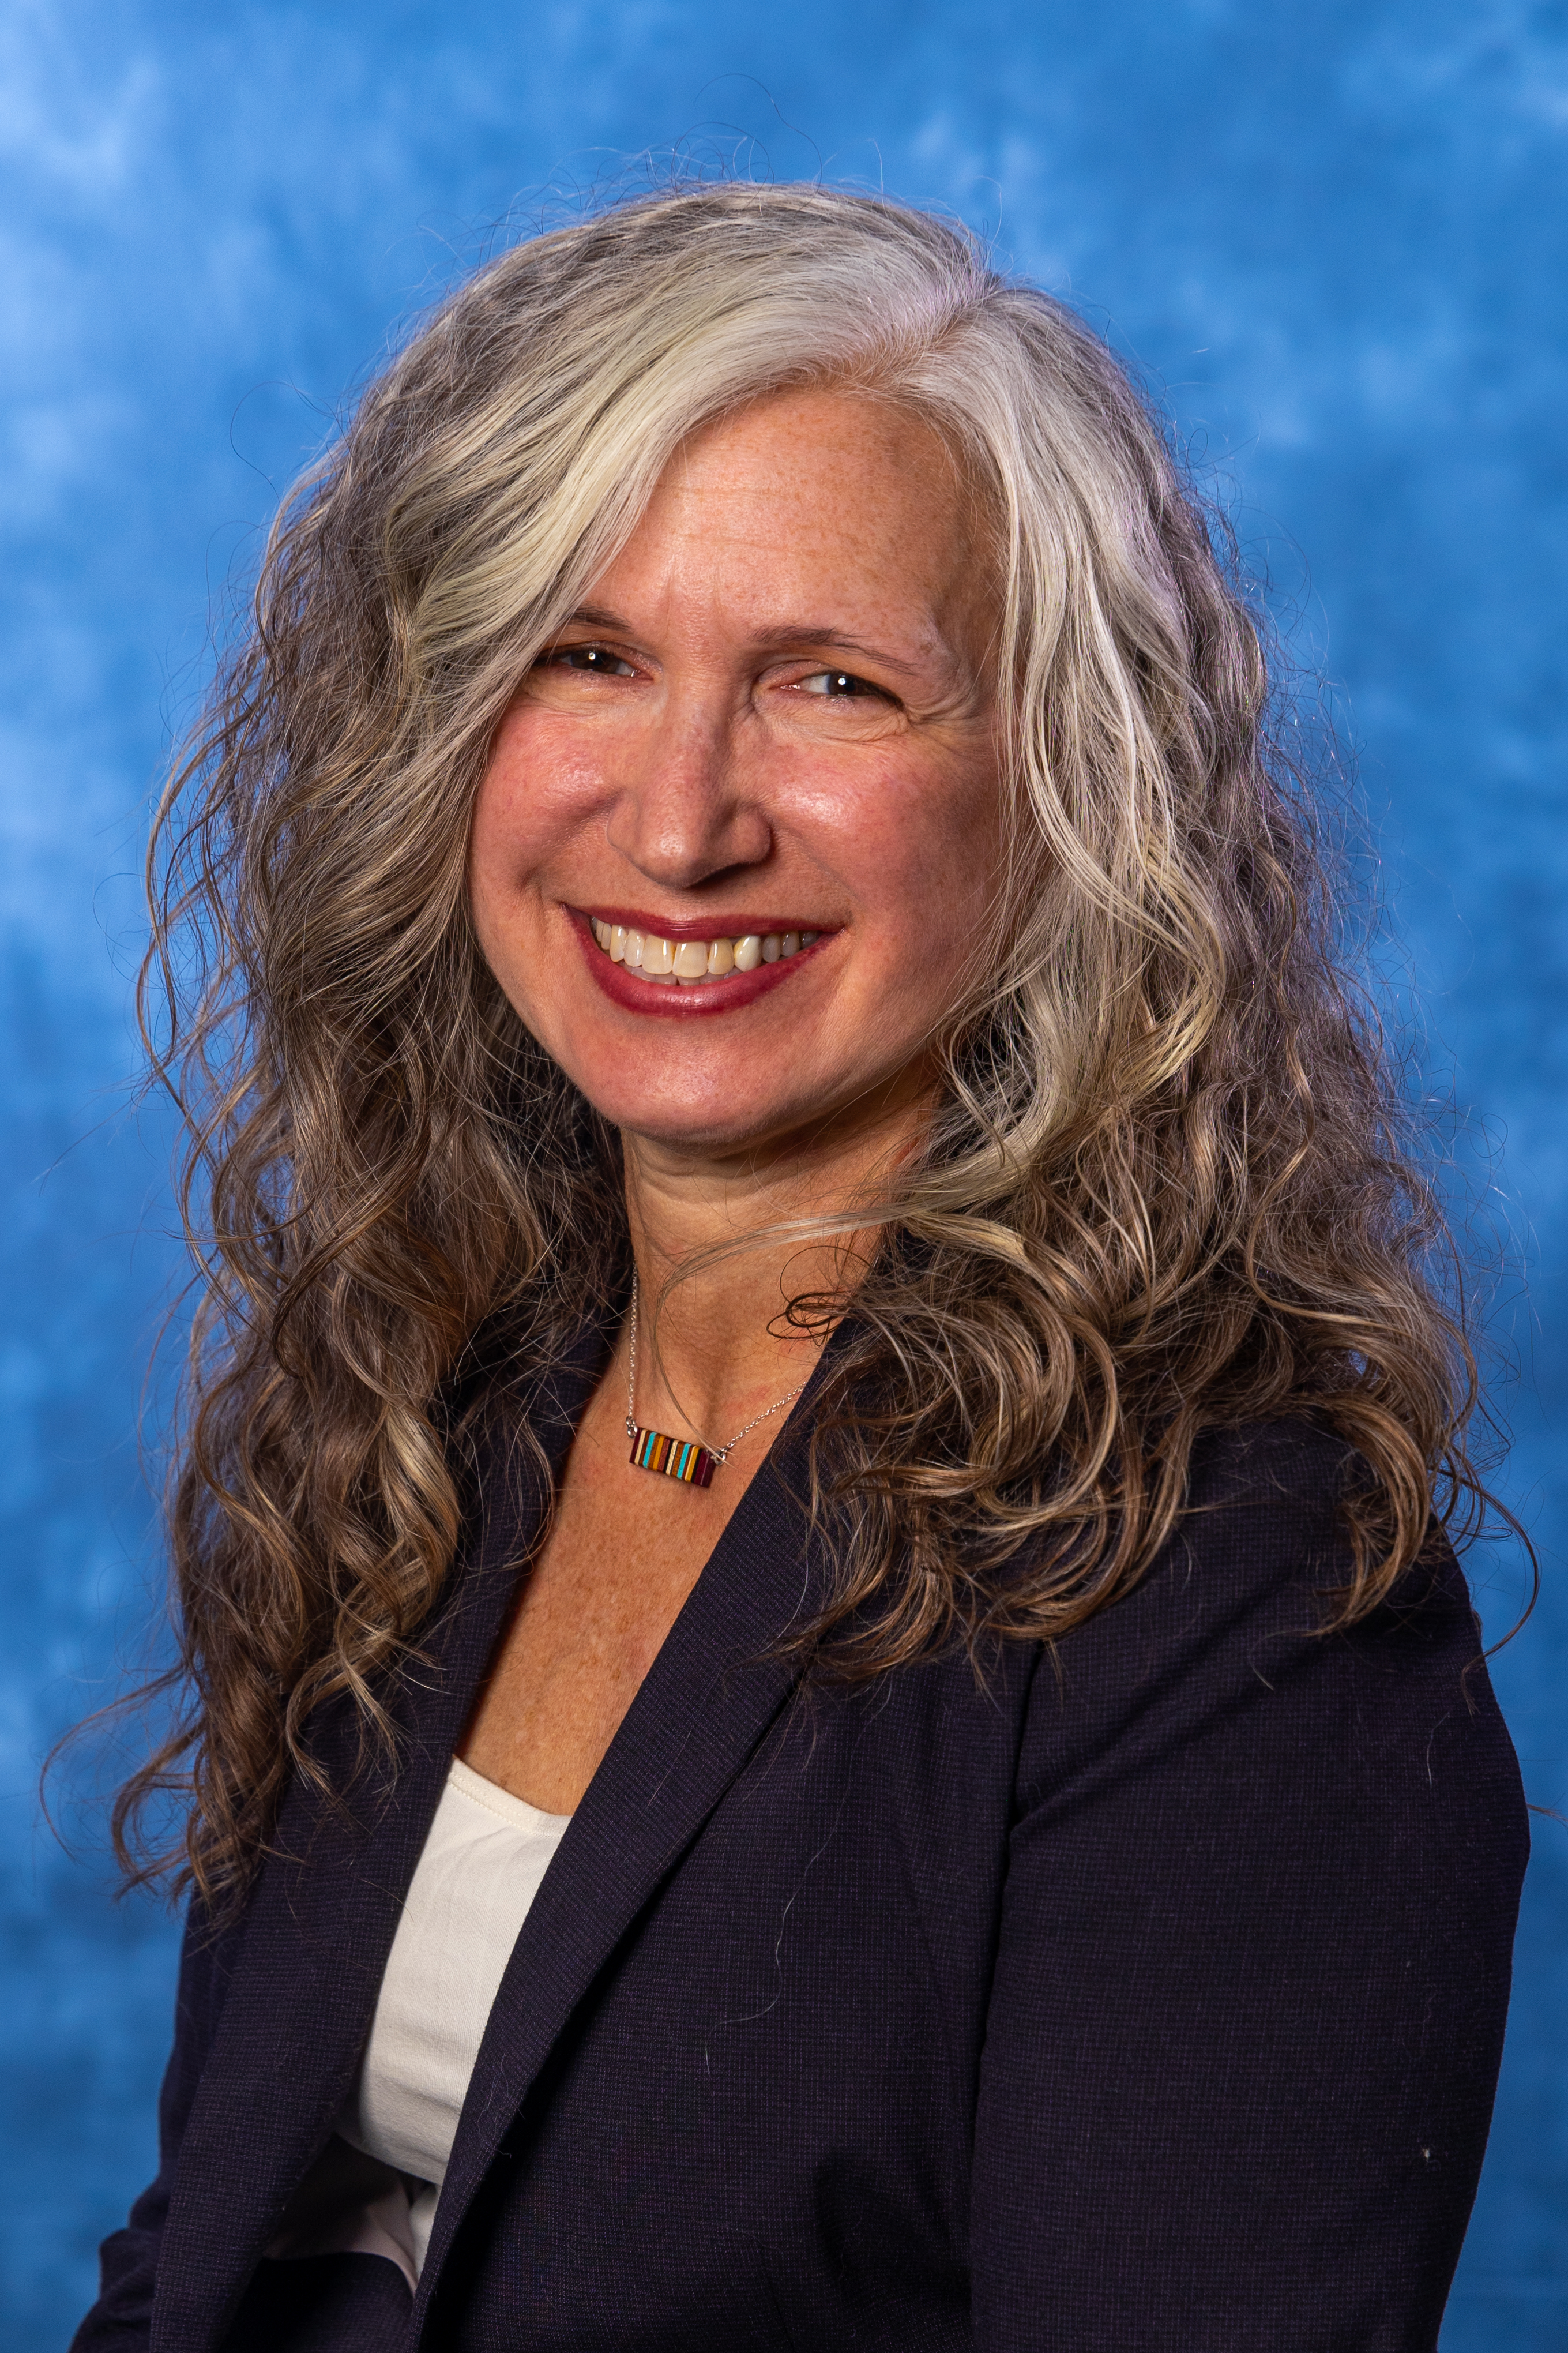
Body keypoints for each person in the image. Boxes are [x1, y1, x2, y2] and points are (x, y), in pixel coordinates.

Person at [73, 183, 1526, 2353]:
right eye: (589, 654)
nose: (678, 824)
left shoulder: (1234, 1589)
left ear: (1062, 790)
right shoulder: (451, 1385)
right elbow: (215, 2263)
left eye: (832, 684)